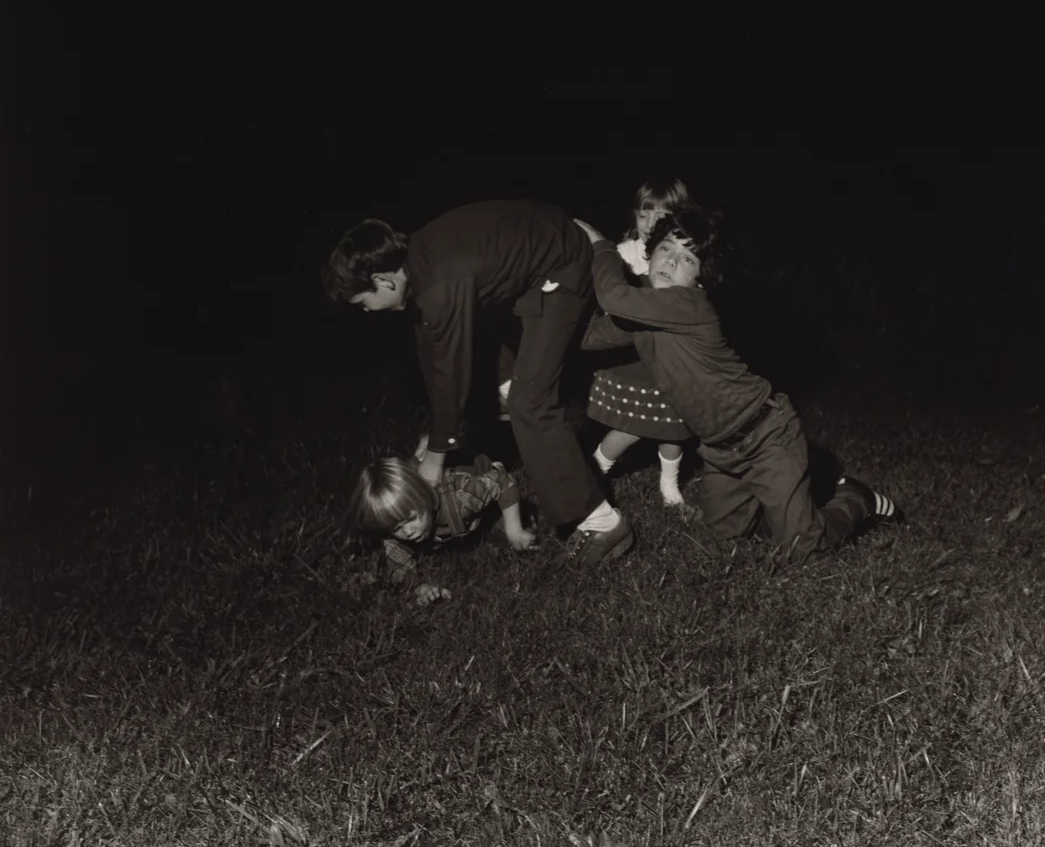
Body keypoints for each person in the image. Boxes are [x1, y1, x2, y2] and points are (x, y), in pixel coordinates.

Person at [574, 205, 900, 560]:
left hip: (767, 437)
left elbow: (613, 297)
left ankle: (855, 499)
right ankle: (774, 507)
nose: (670, 261)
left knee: (802, 547)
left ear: (700, 278)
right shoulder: (643, 313)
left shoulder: (690, 305)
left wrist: (601, 247)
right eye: (667, 249)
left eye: (687, 259)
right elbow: (588, 337)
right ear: (651, 254)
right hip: (720, 450)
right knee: (716, 542)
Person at [322, 200, 635, 565]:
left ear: (382, 281)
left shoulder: (440, 282)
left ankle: (604, 523)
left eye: (362, 303)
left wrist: (437, 456)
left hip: (563, 264)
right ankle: (514, 439)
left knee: (529, 402)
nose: (366, 312)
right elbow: (433, 353)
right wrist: (437, 435)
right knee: (506, 392)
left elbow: (451, 366)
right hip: (529, 273)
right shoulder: (419, 266)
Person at [583, 177, 697, 506]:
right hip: (632, 359)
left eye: (662, 216)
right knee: (632, 425)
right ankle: (596, 470)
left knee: (675, 422)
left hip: (671, 358)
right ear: (634, 216)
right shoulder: (622, 254)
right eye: (644, 214)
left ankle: (669, 483)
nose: (651, 224)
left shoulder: (684, 254)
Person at [347, 455, 535, 605]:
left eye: (411, 518)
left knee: (502, 532)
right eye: (395, 528)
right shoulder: (396, 535)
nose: (408, 531)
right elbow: (399, 567)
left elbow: (503, 483)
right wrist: (421, 588)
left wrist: (515, 530)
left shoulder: (461, 497)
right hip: (462, 522)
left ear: (424, 496)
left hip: (477, 486)